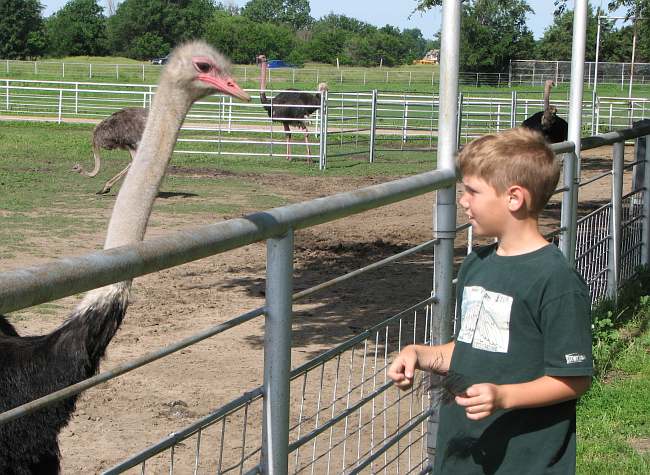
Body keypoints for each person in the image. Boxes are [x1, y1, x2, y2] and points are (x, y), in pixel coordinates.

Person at [388, 127, 593, 474]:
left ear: (514, 198)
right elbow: (472, 346)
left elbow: (574, 379)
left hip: (523, 460)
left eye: (472, 191)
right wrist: (418, 354)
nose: (464, 200)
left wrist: (503, 397)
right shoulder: (476, 264)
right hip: (465, 452)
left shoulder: (555, 281)